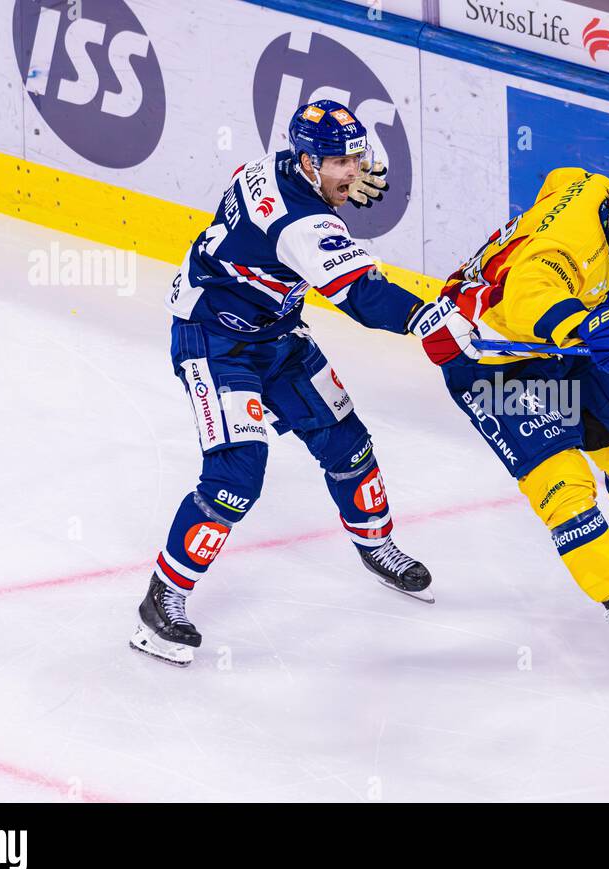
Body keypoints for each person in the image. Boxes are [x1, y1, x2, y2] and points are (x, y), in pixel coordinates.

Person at [131, 99, 466, 666]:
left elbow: (298, 217)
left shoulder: (276, 165)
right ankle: (163, 601)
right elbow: (361, 295)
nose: (353, 174)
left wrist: (338, 182)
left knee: (349, 445)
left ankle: (376, 547)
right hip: (214, 342)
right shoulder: (302, 224)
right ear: (308, 161)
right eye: (340, 164)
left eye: (356, 160)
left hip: (279, 336)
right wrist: (425, 315)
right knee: (236, 475)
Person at [418, 166, 609, 678]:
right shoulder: (562, 250)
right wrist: (588, 323)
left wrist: (596, 317)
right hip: (491, 362)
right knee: (564, 489)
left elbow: (561, 178)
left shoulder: (600, 191)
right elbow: (529, 296)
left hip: (556, 342)